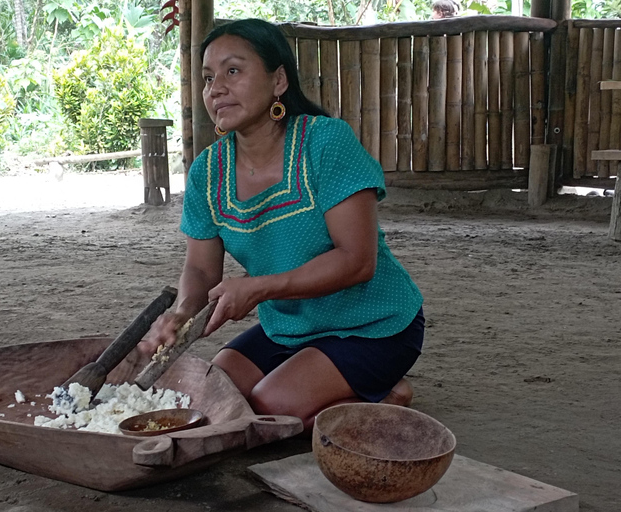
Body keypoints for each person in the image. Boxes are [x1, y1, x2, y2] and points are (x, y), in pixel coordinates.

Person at [145, 18, 425, 433]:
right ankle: (350, 390)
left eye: (233, 71)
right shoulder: (208, 171)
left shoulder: (324, 143)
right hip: (288, 327)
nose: (216, 88)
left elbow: (357, 261)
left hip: (372, 324)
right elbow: (202, 270)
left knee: (267, 407)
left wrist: (258, 288)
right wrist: (183, 312)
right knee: (215, 392)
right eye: (207, 78)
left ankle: (386, 394)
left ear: (278, 81)